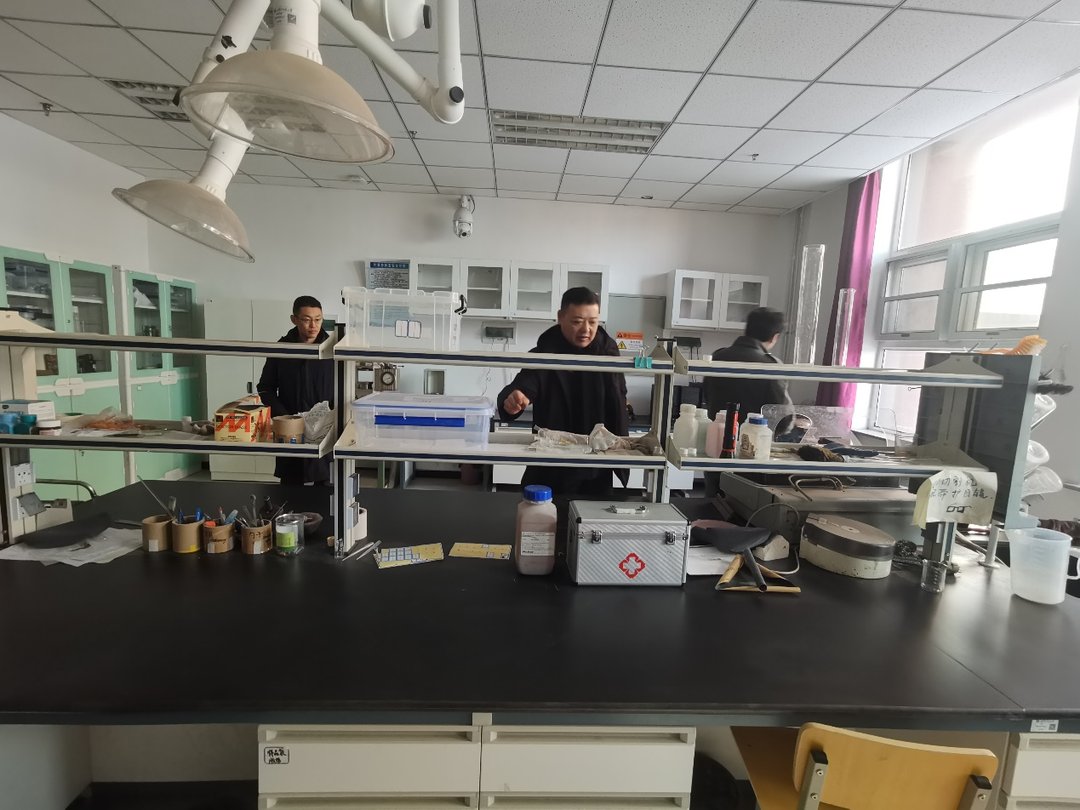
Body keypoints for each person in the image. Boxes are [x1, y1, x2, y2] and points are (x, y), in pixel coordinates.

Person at [498, 287, 628, 497]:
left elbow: (618, 403)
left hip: (596, 467)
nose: (586, 330)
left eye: (593, 322)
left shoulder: (608, 356)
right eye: (577, 321)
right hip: (551, 465)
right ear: (560, 317)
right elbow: (524, 384)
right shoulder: (544, 354)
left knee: (593, 517)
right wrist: (516, 397)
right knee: (541, 516)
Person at [704, 307, 788, 496]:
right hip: (750, 456)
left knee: (712, 504)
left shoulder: (718, 357)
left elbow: (706, 396)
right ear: (775, 337)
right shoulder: (769, 364)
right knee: (744, 506)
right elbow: (783, 418)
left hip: (715, 449)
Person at [257, 295, 334, 485]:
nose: (313, 326)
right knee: (290, 486)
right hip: (290, 429)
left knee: (325, 485)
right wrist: (285, 418)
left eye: (318, 319)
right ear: (294, 319)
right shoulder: (281, 348)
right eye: (306, 320)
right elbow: (265, 387)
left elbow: (343, 387)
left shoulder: (333, 349)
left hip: (324, 428)